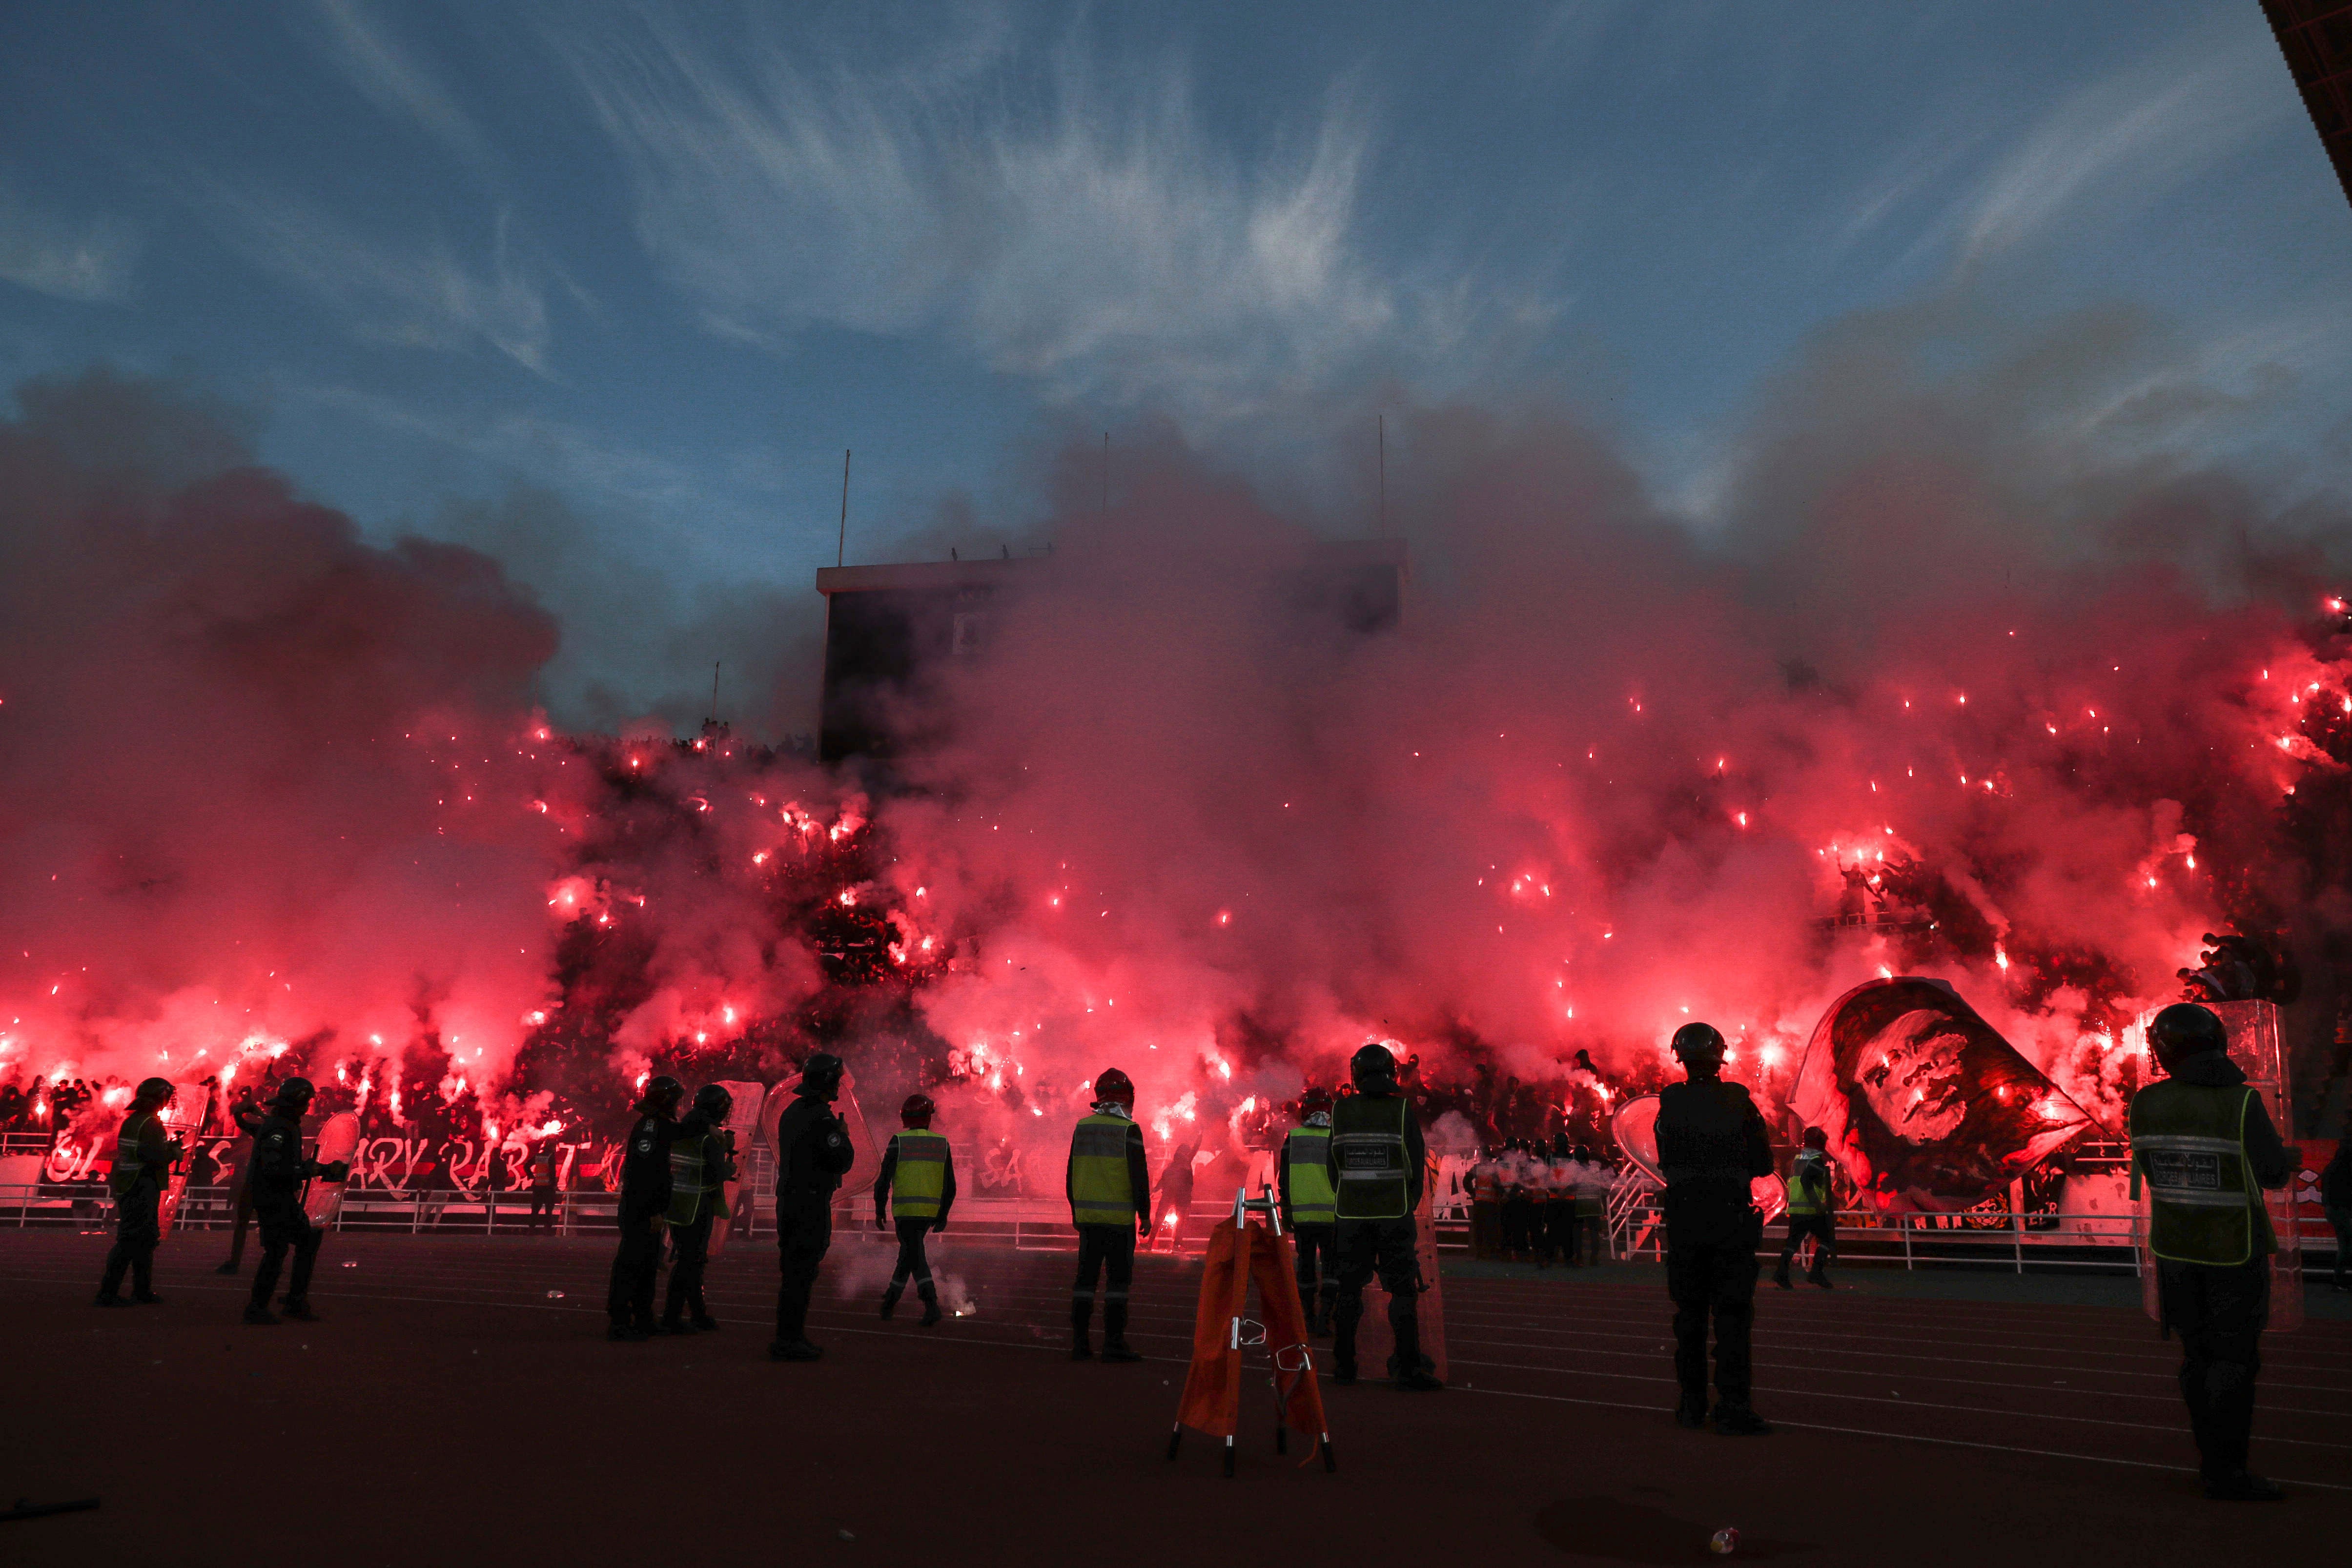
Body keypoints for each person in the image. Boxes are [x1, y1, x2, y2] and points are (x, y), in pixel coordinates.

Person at [2129, 1002, 2297, 1501]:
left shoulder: (2144, 1103)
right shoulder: (2241, 1103)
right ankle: (2228, 1473)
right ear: (2218, 1042)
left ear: (2160, 1053)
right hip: (2233, 1252)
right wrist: (2282, 1158)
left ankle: (2210, 1462)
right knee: (2235, 1363)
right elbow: (2271, 1173)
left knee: (2195, 1359)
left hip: (2175, 1255)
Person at [1656, 1022, 1774, 1435]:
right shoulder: (1738, 1099)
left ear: (1680, 1058)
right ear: (1720, 1056)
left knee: (1689, 1317)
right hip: (1729, 1222)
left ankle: (1691, 1405)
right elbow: (1763, 1163)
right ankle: (1733, 1406)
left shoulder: (1669, 1101)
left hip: (1686, 1223)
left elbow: (1665, 1161)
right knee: (1733, 1319)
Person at [1325, 1042, 1441, 1391]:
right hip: (1393, 1216)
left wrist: (1350, 1196)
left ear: (1356, 1074)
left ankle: (1344, 1366)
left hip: (1349, 1216)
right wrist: (1404, 1203)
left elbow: (1333, 1166)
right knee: (1403, 1292)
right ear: (1390, 1072)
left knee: (1348, 1291)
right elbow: (1416, 1167)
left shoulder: (1340, 1111)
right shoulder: (1402, 1109)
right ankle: (1407, 1366)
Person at [771, 1053, 856, 1362]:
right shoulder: (821, 1118)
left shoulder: (793, 1112)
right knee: (802, 1273)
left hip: (791, 1200)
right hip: (810, 1204)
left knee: (793, 1271)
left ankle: (788, 1336)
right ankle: (789, 1340)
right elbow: (842, 1160)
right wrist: (843, 1137)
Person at [244, 1079, 348, 1325]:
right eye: (307, 1100)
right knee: (284, 1248)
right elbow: (274, 1168)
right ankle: (272, 1305)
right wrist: (307, 1171)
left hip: (273, 1194)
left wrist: (315, 1169)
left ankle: (285, 1302)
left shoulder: (283, 1124)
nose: (309, 1106)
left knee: (289, 1245)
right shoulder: (280, 1128)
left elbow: (283, 1166)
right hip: (273, 1196)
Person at [1066, 1067, 1151, 1363]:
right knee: (1117, 1285)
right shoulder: (1130, 1130)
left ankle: (1080, 1344)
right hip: (1119, 1223)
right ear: (1127, 1097)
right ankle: (1113, 1344)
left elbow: (1070, 1174)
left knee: (1085, 1282)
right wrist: (1146, 1215)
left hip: (1089, 1222)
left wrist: (1076, 1211)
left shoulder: (1083, 1127)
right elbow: (1139, 1178)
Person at [607, 1075, 685, 1343]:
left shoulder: (655, 1125)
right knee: (632, 1265)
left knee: (648, 1265)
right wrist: (653, 1210)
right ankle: (620, 1322)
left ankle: (642, 1318)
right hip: (642, 1208)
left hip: (646, 1207)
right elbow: (645, 1175)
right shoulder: (652, 1129)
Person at [96, 1078, 183, 1307]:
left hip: (131, 1185)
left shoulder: (134, 1121)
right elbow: (154, 1158)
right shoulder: (151, 1123)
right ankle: (110, 1293)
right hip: (142, 1186)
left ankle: (141, 1291)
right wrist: (174, 1153)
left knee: (144, 1240)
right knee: (132, 1240)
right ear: (159, 1097)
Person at [660, 1084, 738, 1335]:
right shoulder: (709, 1137)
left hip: (678, 1203)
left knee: (688, 1259)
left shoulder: (686, 1128)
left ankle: (697, 1314)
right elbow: (716, 1173)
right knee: (691, 1262)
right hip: (698, 1205)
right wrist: (730, 1165)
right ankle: (674, 1316)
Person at [874, 1092, 955, 1326]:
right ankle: (890, 1302)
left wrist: (879, 1209)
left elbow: (883, 1181)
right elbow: (950, 1185)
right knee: (909, 1256)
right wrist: (943, 1214)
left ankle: (931, 1305)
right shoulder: (942, 1143)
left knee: (915, 1257)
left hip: (905, 1212)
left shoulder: (897, 1141)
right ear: (929, 1117)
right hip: (929, 1214)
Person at [1278, 1088, 1338, 1334]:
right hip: (1334, 1217)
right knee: (1333, 1268)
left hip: (1303, 1217)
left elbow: (1285, 1179)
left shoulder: (1294, 1137)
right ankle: (1326, 1317)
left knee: (1305, 1267)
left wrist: (1287, 1210)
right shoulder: (1338, 1138)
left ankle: (1307, 1316)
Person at [215, 1084, 269, 1274]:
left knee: (249, 1223)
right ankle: (270, 1259)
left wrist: (245, 1110)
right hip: (260, 1183)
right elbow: (242, 1123)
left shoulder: (266, 1131)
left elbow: (241, 1122)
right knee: (253, 1222)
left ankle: (237, 1261)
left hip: (259, 1183)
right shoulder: (273, 1129)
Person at [1775, 1127, 1838, 1289]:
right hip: (1811, 1209)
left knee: (1792, 1243)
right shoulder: (1816, 1161)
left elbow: (1797, 1182)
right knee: (1827, 1239)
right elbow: (1806, 1182)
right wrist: (1818, 1205)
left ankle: (1781, 1274)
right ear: (1819, 1141)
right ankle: (1816, 1273)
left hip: (1796, 1208)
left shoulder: (1799, 1159)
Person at [1156, 1140, 1197, 1253]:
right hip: (1180, 1197)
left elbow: (1163, 1180)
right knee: (1179, 1222)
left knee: (1160, 1219)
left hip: (1172, 1196)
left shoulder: (1173, 1165)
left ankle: (1151, 1243)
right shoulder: (1185, 1163)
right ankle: (1176, 1245)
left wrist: (1156, 1189)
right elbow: (1195, 1149)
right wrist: (1200, 1136)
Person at [2322, 1138, 2352, 1295]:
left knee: (2345, 1245)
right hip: (2340, 1210)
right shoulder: (2344, 1169)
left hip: (2335, 1210)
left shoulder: (2332, 1168)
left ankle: (2339, 1280)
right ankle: (2339, 1280)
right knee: (2346, 1245)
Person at [527, 1138, 560, 1234]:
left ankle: (531, 1229)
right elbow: (552, 1172)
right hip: (548, 1188)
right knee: (549, 1210)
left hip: (538, 1187)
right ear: (551, 1146)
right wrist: (554, 1184)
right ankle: (548, 1230)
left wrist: (531, 1176)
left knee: (535, 1210)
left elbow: (527, 1165)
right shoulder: (551, 1156)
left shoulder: (538, 1156)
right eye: (554, 1146)